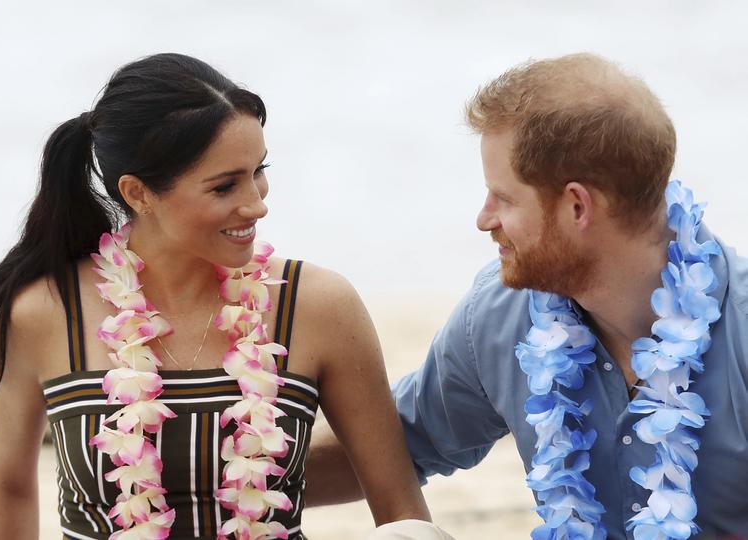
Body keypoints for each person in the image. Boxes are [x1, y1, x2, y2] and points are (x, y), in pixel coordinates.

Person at [0, 53, 439, 540]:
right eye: (224, 186)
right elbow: (10, 484)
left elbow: (401, 510)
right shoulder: (44, 311)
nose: (257, 203)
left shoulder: (318, 306)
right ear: (138, 193)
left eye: (258, 170)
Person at [306, 53, 748, 539]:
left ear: (577, 206)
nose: (484, 219)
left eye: (504, 198)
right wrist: (229, 481)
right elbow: (395, 444)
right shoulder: (502, 315)